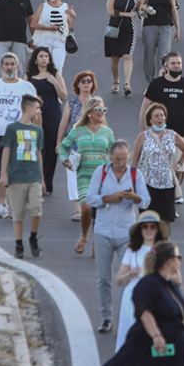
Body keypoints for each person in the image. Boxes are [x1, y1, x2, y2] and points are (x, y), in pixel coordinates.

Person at [77, 240, 184, 366]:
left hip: (174, 350)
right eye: (178, 258)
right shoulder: (147, 284)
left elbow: (180, 313)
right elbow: (144, 311)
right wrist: (156, 335)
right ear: (169, 261)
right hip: (151, 346)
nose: (180, 261)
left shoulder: (170, 285)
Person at [85, 140, 151, 333]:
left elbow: (146, 201)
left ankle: (125, 318)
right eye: (117, 160)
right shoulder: (101, 173)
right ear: (110, 157)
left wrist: (134, 197)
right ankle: (106, 317)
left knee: (127, 279)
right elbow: (90, 198)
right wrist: (109, 199)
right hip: (103, 231)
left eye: (124, 159)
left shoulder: (135, 174)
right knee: (103, 278)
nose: (121, 163)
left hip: (126, 233)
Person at [0, 53, 38, 219]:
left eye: (12, 64)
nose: (9, 67)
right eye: (6, 64)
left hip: (23, 134)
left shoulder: (27, 87)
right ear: (1, 67)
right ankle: (2, 205)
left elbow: (35, 111)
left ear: (17, 67)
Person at [140, 52, 184, 204]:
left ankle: (173, 193)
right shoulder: (156, 84)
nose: (176, 66)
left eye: (179, 63)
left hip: (182, 133)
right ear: (166, 66)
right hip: (159, 133)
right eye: (173, 63)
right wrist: (143, 133)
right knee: (160, 167)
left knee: (180, 169)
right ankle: (165, 197)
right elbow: (144, 109)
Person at [59, 96, 115, 254]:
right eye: (98, 110)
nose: (101, 113)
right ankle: (84, 236)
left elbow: (113, 151)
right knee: (86, 208)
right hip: (84, 174)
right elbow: (64, 147)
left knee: (99, 211)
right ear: (89, 112)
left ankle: (96, 242)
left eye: (103, 110)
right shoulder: (77, 131)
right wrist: (64, 159)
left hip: (103, 176)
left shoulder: (107, 132)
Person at [116, 210, 170, 348]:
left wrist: (160, 275)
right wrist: (130, 273)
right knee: (130, 335)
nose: (148, 230)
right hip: (132, 298)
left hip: (156, 296)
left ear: (157, 230)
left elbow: (177, 279)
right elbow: (119, 280)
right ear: (140, 230)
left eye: (152, 226)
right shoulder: (132, 250)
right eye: (145, 226)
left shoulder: (164, 250)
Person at [0, 95, 45, 258]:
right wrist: (3, 173)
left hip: (34, 175)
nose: (39, 111)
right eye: (37, 108)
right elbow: (6, 150)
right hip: (16, 176)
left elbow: (38, 153)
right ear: (28, 109)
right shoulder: (12, 128)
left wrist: (42, 178)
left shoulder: (38, 130)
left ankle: (33, 237)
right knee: (18, 213)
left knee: (36, 208)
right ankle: (18, 243)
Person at [131, 103, 184, 221]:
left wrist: (178, 164)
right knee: (147, 219)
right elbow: (134, 161)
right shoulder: (143, 136)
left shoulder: (172, 135)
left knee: (166, 219)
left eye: (162, 115)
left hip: (166, 183)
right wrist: (132, 182)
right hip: (147, 183)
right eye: (156, 116)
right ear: (150, 120)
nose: (160, 118)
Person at [26, 46, 67, 196]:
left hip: (52, 114)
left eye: (46, 56)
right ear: (35, 59)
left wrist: (54, 82)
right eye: (41, 56)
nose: (44, 59)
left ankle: (47, 183)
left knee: (50, 149)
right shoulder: (29, 76)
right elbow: (23, 96)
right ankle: (36, 181)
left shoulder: (55, 74)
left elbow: (63, 96)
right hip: (34, 115)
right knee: (35, 148)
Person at [58, 71, 97, 221]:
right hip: (73, 145)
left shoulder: (97, 104)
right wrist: (59, 142)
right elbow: (63, 124)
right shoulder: (71, 103)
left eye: (89, 81)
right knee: (73, 176)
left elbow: (103, 125)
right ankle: (77, 209)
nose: (86, 84)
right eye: (83, 81)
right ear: (78, 85)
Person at [137, 0, 181, 83]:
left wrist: (178, 29)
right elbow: (140, 6)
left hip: (166, 26)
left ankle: (162, 81)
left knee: (164, 56)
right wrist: (146, 8)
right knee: (149, 56)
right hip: (149, 26)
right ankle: (150, 82)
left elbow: (173, 10)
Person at [104, 0, 138, 96]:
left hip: (129, 29)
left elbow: (139, 7)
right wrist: (126, 14)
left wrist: (146, 9)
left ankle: (127, 83)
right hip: (114, 28)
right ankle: (116, 81)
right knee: (115, 58)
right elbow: (110, 12)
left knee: (127, 55)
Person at [29, 0, 75, 74]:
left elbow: (69, 27)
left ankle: (56, 83)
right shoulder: (43, 6)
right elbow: (33, 24)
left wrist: (73, 16)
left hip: (60, 40)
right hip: (45, 40)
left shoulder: (64, 6)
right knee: (44, 67)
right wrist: (49, 28)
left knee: (58, 68)